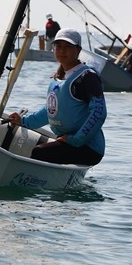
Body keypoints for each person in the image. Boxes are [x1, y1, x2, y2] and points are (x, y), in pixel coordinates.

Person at [8, 28, 106, 166]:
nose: (62, 50)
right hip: (68, 142)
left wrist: (75, 140)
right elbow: (50, 112)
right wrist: (23, 122)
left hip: (88, 148)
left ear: (78, 50)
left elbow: (99, 112)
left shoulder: (87, 77)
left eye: (67, 47)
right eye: (58, 46)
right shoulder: (59, 78)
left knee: (39, 152)